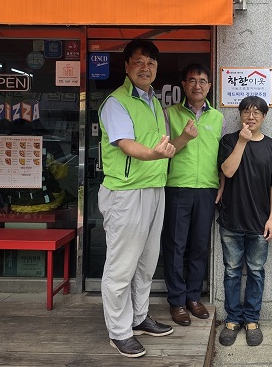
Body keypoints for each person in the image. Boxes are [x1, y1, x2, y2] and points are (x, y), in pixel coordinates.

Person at [98, 39, 176, 358]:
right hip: (127, 192)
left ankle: (139, 318)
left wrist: (180, 140)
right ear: (127, 66)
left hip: (154, 188)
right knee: (121, 266)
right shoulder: (116, 102)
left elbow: (159, 145)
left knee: (146, 262)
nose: (146, 68)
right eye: (139, 62)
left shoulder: (153, 100)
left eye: (151, 63)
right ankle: (119, 332)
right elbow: (126, 144)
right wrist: (155, 154)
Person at [162, 63, 224, 326]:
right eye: (192, 80)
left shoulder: (218, 118)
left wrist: (221, 185)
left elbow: (221, 156)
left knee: (200, 246)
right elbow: (163, 151)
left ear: (209, 86)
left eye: (202, 81)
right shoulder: (169, 114)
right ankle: (176, 301)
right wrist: (184, 137)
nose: (197, 85)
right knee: (175, 246)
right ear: (184, 85)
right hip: (178, 187)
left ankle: (193, 297)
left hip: (207, 189)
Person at [217, 96, 272, 347]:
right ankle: (233, 319)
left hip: (259, 222)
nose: (251, 117)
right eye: (246, 111)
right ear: (240, 114)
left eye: (256, 113)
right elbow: (228, 171)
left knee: (256, 271)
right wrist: (242, 142)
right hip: (231, 220)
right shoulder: (229, 141)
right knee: (232, 271)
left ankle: (252, 319)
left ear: (264, 116)